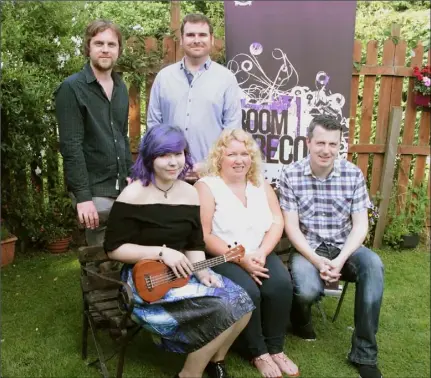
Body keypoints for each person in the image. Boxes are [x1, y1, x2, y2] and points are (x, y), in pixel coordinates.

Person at [103, 124, 254, 378]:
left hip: (182, 272)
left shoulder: (189, 193)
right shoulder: (133, 194)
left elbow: (194, 243)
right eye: (165, 155)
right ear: (150, 157)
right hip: (146, 280)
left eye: (179, 153)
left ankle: (216, 360)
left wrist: (203, 271)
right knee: (223, 308)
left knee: (244, 302)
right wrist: (161, 253)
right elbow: (113, 249)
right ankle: (188, 374)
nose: (173, 162)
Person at [279, 115, 384, 378]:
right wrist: (317, 261)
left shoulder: (353, 174)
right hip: (308, 248)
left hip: (344, 247)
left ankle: (365, 354)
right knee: (306, 291)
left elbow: (360, 225)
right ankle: (300, 315)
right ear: (308, 142)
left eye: (333, 144)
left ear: (340, 145)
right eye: (321, 143)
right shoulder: (290, 175)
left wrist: (340, 260)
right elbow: (291, 228)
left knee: (373, 265)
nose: (326, 150)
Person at [195, 129, 299, 378]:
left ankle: (276, 348)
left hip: (258, 252)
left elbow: (277, 221)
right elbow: (205, 234)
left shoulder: (259, 183)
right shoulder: (207, 186)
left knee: (281, 285)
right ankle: (258, 352)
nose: (239, 159)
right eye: (232, 154)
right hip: (223, 256)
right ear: (219, 157)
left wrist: (262, 252)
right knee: (248, 291)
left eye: (244, 153)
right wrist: (241, 260)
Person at [55, 19, 133, 246]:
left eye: (112, 44)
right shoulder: (71, 88)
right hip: (94, 190)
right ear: (88, 47)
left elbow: (122, 136)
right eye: (99, 43)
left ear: (119, 49)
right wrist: (84, 198)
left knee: (130, 252)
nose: (106, 49)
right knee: (101, 259)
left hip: (122, 187)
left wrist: (130, 174)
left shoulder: (120, 87)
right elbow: (71, 148)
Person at [147, 13, 242, 180]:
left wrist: (209, 165)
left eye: (202, 35)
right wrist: (169, 163)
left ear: (211, 39)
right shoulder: (164, 78)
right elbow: (154, 128)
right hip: (169, 177)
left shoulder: (226, 79)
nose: (196, 40)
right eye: (190, 35)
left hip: (212, 177)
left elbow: (232, 132)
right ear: (182, 40)